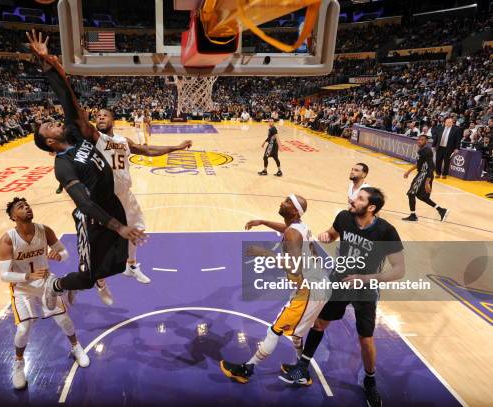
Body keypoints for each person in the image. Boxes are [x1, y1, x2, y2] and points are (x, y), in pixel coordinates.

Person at [26, 30, 145, 309]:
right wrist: (118, 226)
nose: (55, 122)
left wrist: (48, 65)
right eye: (49, 127)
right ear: (50, 142)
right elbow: (84, 202)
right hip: (92, 217)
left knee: (115, 266)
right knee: (86, 278)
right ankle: (56, 285)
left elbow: (68, 100)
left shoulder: (75, 135)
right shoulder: (63, 165)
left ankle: (97, 271)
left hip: (112, 206)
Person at [281, 187, 405, 407]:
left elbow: (398, 270)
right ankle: (302, 366)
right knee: (319, 324)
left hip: (365, 289)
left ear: (371, 207)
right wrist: (326, 236)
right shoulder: (344, 217)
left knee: (365, 339)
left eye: (359, 198)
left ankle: (369, 380)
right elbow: (332, 234)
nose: (353, 199)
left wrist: (364, 278)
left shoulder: (386, 231)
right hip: (339, 281)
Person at [219, 194, 329, 383]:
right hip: (317, 287)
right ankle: (301, 371)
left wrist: (264, 252)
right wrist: (262, 221)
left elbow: (294, 267)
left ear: (294, 211)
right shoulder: (299, 227)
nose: (281, 202)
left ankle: (247, 369)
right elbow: (287, 229)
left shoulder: (293, 234)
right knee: (297, 334)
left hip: (309, 291)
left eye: (287, 202)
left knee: (275, 330)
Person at [93, 108, 193, 303]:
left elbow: (148, 150)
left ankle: (131, 266)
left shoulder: (123, 141)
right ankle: (100, 279)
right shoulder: (93, 139)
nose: (101, 117)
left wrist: (176, 147)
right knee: (103, 242)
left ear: (114, 119)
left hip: (125, 194)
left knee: (138, 229)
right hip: (102, 198)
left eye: (105, 115)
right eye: (98, 116)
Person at [0, 197, 90, 390]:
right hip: (22, 288)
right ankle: (19, 363)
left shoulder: (44, 230)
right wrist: (28, 275)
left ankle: (76, 347)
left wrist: (59, 255)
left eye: (28, 205)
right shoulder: (7, 239)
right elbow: (4, 275)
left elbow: (64, 253)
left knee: (63, 319)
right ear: (14, 216)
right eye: (21, 207)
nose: (27, 208)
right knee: (24, 329)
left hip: (47, 283)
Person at [402, 134, 449, 222]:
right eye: (419, 139)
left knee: (411, 193)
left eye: (422, 140)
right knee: (422, 196)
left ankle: (413, 216)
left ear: (426, 141)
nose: (419, 141)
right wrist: (409, 171)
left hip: (425, 174)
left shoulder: (427, 151)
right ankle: (441, 210)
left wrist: (427, 182)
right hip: (421, 174)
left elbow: (431, 167)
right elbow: (419, 164)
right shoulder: (421, 150)